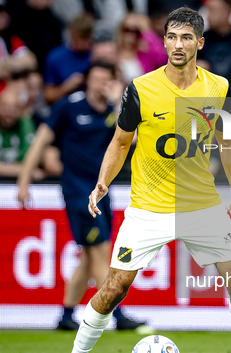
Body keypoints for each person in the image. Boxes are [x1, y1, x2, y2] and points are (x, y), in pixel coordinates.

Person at [55, 7, 231, 353]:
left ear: (199, 43)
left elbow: (228, 142)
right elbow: (120, 142)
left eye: (186, 37)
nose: (177, 44)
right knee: (114, 287)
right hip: (148, 208)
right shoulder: (141, 88)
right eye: (171, 36)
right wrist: (103, 181)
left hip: (201, 205)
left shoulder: (218, 87)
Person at [16, 61, 147, 331]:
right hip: (77, 191)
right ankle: (117, 315)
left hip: (102, 189)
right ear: (87, 81)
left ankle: (65, 316)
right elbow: (40, 141)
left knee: (88, 258)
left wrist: (116, 105)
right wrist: (23, 180)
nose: (100, 84)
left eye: (105, 79)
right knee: (100, 251)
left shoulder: (114, 111)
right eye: (96, 78)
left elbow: (131, 140)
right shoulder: (69, 107)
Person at [44, 12, 94, 104]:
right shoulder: (56, 57)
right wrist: (67, 86)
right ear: (72, 35)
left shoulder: (96, 54)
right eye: (80, 38)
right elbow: (48, 96)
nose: (83, 43)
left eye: (86, 39)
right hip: (67, 107)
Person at [115, 13, 168, 83]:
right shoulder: (112, 51)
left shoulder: (145, 54)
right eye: (127, 30)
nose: (131, 34)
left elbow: (162, 56)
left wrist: (147, 31)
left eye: (135, 31)